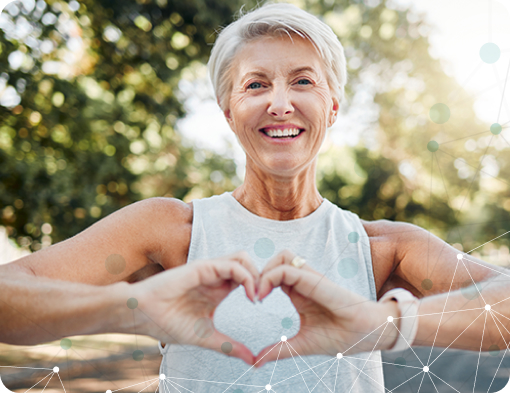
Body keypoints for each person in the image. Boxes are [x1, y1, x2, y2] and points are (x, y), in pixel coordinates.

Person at [1, 2, 509, 392]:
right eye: (256, 84)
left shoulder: (383, 248)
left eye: (303, 81)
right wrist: (130, 307)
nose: (280, 103)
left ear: (332, 107)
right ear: (228, 110)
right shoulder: (167, 230)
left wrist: (384, 323)